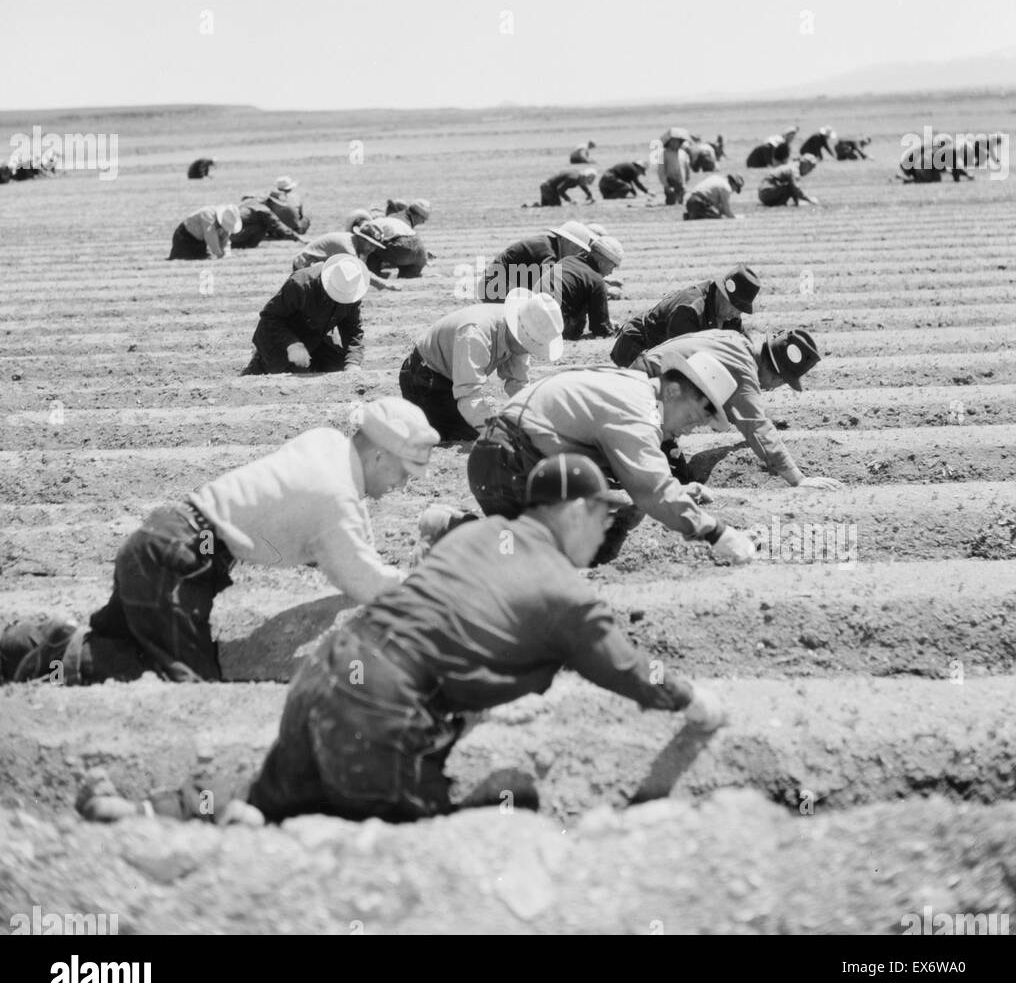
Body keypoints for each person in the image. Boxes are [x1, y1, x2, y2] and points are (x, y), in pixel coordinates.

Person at [70, 455, 728, 829]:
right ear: (576, 512)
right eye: (606, 515)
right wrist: (694, 699)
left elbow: (450, 623)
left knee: (269, 798)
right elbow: (634, 669)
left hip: (333, 672)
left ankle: (139, 810)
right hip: (387, 710)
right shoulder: (567, 592)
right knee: (446, 830)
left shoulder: (475, 538)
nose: (610, 530)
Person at [0, 401, 440, 686]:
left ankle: (39, 645)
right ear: (379, 455)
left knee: (126, 643)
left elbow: (344, 521)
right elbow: (363, 580)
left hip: (164, 540)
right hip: (179, 561)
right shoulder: (335, 500)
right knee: (187, 685)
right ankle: (52, 655)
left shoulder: (326, 443)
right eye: (402, 474)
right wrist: (427, 590)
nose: (400, 486)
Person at [466, 350, 758, 567]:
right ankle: (457, 539)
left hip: (507, 458)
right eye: (693, 417)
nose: (690, 429)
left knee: (617, 512)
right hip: (507, 464)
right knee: (544, 567)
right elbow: (652, 490)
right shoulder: (639, 411)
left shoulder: (634, 387)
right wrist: (717, 533)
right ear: (672, 390)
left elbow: (642, 481)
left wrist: (678, 493)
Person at [632, 328, 841, 489]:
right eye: (781, 382)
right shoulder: (743, 370)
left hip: (646, 375)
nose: (771, 388)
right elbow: (757, 427)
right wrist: (798, 479)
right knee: (666, 480)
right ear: (776, 374)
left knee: (673, 471)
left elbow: (732, 406)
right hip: (650, 391)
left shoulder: (736, 342)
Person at [399, 290, 564, 441]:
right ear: (519, 334)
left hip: (451, 378)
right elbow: (468, 395)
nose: (531, 351)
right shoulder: (475, 334)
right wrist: (496, 431)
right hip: (425, 378)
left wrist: (535, 417)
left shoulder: (517, 330)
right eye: (530, 345)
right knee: (468, 436)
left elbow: (518, 383)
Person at [241, 254, 369, 376]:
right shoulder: (300, 284)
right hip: (282, 339)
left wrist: (353, 362)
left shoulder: (351, 292)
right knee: (295, 377)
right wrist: (291, 344)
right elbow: (269, 318)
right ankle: (259, 364)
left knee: (339, 370)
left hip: (316, 338)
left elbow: (353, 331)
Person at [610, 265, 760, 368]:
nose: (737, 314)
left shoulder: (729, 313)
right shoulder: (689, 309)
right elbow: (681, 358)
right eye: (735, 307)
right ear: (722, 294)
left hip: (663, 353)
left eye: (740, 309)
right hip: (637, 350)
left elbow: (741, 346)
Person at [478, 220, 597, 302]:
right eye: (577, 247)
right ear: (564, 240)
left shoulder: (549, 245)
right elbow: (552, 284)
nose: (577, 253)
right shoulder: (547, 251)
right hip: (494, 287)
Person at [540, 235, 624, 341]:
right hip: (552, 328)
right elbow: (601, 330)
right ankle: (570, 336)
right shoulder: (596, 280)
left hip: (532, 314)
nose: (611, 272)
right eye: (613, 266)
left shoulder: (567, 260)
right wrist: (608, 327)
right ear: (601, 263)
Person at [291, 221, 405, 291]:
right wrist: (385, 284)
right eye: (370, 244)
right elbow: (360, 272)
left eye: (375, 246)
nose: (372, 249)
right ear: (361, 238)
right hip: (304, 267)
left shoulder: (351, 241)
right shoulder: (348, 248)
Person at [346, 209, 429, 277]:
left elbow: (367, 249)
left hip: (402, 250)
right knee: (405, 277)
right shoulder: (385, 221)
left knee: (371, 245)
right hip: (421, 254)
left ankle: (374, 274)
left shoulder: (369, 228)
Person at [167, 204, 243, 260]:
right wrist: (220, 255)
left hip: (199, 241)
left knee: (202, 258)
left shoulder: (225, 222)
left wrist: (227, 253)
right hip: (184, 237)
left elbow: (225, 238)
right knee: (182, 258)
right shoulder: (207, 215)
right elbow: (211, 238)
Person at [230, 199, 308, 249]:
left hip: (229, 233)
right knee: (262, 227)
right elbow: (278, 225)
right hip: (234, 235)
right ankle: (245, 245)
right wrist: (298, 238)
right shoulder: (265, 210)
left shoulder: (251, 202)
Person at [528, 167, 597, 207]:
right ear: (585, 177)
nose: (586, 184)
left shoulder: (578, 175)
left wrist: (590, 195)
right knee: (556, 207)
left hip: (545, 187)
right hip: (549, 189)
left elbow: (582, 185)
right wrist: (570, 200)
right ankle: (530, 206)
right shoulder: (573, 178)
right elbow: (560, 189)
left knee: (545, 207)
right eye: (587, 181)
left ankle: (529, 206)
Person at [656, 129, 692, 205]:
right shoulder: (664, 154)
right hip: (670, 181)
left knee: (680, 203)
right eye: (673, 141)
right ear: (669, 142)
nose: (675, 143)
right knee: (671, 203)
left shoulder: (683, 153)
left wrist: (687, 181)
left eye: (677, 141)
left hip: (681, 182)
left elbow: (687, 168)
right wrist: (666, 185)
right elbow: (661, 171)